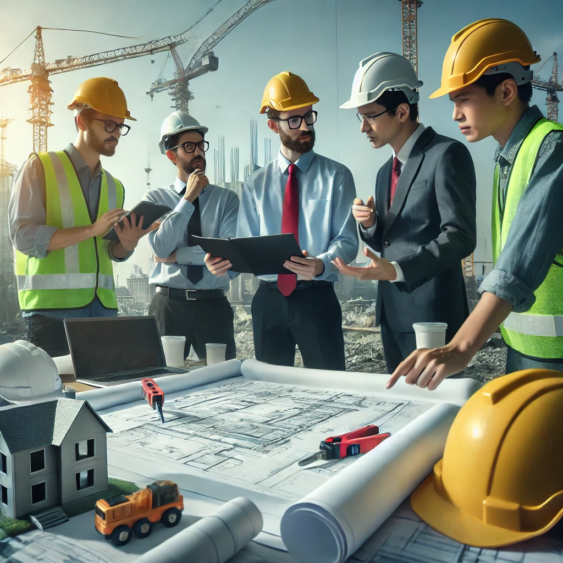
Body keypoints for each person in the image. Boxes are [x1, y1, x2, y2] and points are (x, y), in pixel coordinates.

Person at [388, 18, 563, 391]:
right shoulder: (508, 158)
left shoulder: (551, 149)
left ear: (505, 92)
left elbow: (515, 267)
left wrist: (460, 348)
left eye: (463, 99)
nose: (455, 114)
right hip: (524, 353)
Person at [334, 52, 476, 373]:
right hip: (392, 313)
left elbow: (460, 236)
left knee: (437, 416)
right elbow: (388, 239)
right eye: (360, 117)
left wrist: (397, 269)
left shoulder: (446, 154)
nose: (363, 128)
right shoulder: (386, 170)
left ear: (401, 111)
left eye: (369, 116)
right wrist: (370, 225)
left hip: (433, 317)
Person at [206, 71, 357, 370]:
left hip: (318, 298)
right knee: (271, 394)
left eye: (309, 117)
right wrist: (224, 266)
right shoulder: (255, 184)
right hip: (268, 303)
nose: (305, 127)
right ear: (273, 125)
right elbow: (246, 246)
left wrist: (321, 264)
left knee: (330, 388)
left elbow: (348, 240)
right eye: (294, 120)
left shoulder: (337, 176)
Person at [9, 77, 151, 357]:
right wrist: (91, 229)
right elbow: (22, 236)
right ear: (82, 122)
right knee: (56, 400)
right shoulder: (39, 167)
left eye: (121, 125)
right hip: (52, 316)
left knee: (106, 398)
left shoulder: (115, 186)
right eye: (108, 124)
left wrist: (129, 243)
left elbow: (109, 250)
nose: (116, 133)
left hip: (104, 314)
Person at [143, 111, 239, 363]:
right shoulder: (154, 200)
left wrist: (180, 256)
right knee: (163, 378)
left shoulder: (227, 199)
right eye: (189, 146)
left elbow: (230, 256)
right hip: (168, 304)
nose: (198, 151)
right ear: (172, 155)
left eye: (200, 145)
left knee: (223, 381)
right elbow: (162, 248)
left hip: (213, 305)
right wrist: (188, 200)